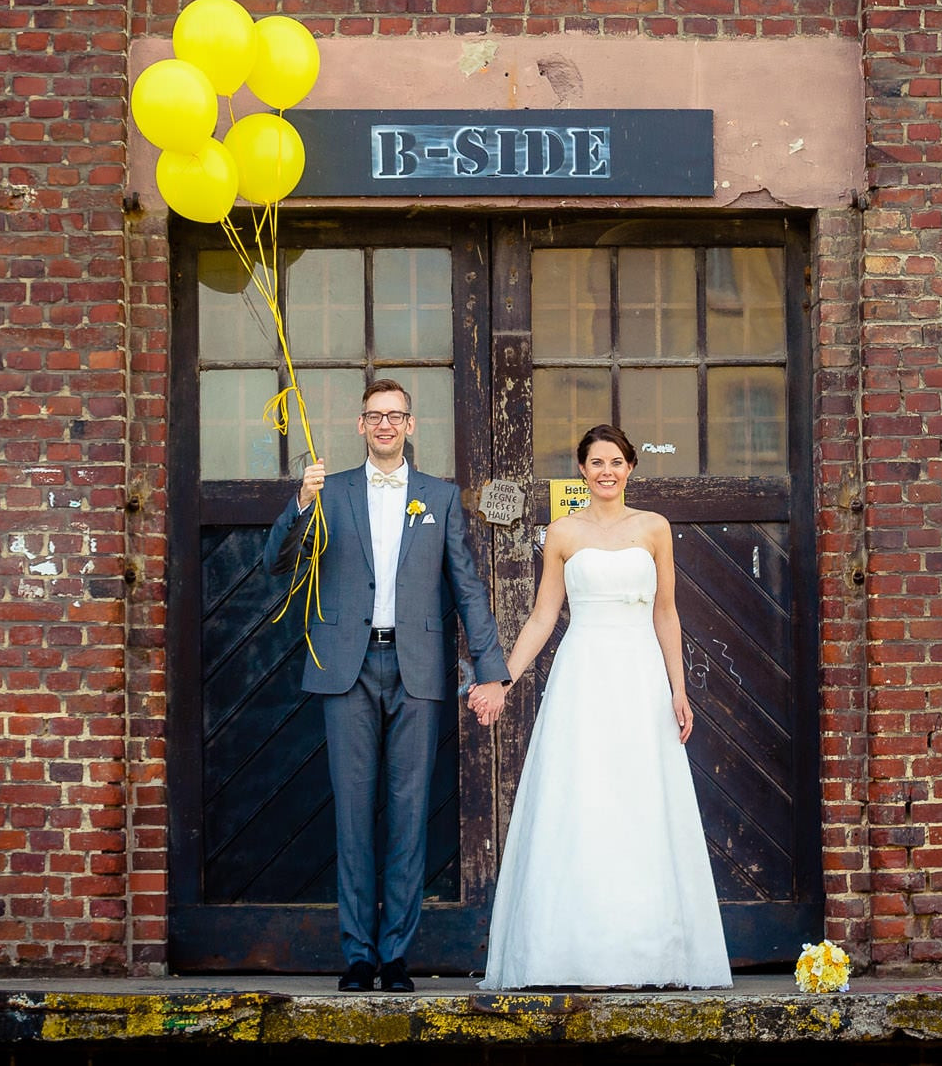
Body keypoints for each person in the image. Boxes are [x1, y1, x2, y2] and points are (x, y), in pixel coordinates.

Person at [263, 378, 511, 993]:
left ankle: (396, 955)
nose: (384, 425)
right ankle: (358, 956)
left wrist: (492, 669)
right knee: (352, 817)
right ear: (359, 424)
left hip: (417, 669)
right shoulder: (330, 490)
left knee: (408, 817)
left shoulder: (440, 497)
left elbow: (468, 586)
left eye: (395, 415)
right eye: (374, 415)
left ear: (410, 424)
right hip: (346, 668)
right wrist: (299, 501)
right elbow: (277, 562)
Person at [472, 423, 732, 990]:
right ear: (583, 471)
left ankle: (644, 953)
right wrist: (503, 679)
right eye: (596, 463)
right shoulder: (562, 532)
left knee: (639, 801)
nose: (606, 471)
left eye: (616, 461)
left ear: (631, 467)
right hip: (584, 675)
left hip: (640, 675)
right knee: (583, 798)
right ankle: (571, 952)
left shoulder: (655, 528)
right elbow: (543, 616)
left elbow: (667, 612)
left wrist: (678, 688)